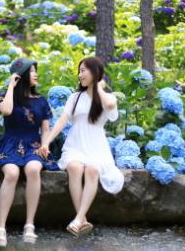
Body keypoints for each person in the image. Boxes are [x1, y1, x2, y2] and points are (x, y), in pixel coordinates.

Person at [38, 56, 123, 236]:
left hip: (96, 148)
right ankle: (81, 219)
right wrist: (46, 142)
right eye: (79, 71)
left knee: (92, 170)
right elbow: (62, 121)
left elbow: (109, 104)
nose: (79, 75)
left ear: (94, 72)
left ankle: (77, 220)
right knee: (74, 168)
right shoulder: (75, 97)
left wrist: (98, 86)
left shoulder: (107, 98)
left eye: (83, 70)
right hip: (75, 145)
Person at [0, 58, 58, 247]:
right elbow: (6, 111)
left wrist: (45, 145)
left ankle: (29, 225)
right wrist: (11, 85)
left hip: (34, 145)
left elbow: (46, 129)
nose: (35, 74)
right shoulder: (7, 98)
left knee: (33, 169)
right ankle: (1, 228)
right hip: (9, 144)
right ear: (22, 75)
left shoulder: (41, 101)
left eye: (35, 70)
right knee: (11, 173)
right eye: (31, 71)